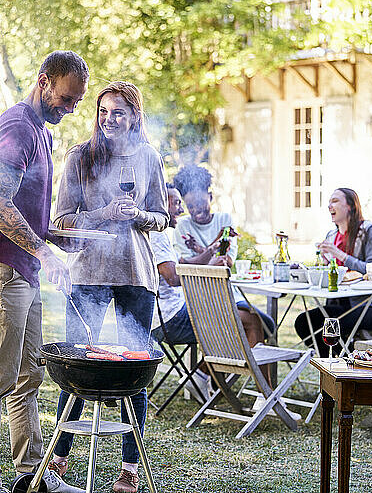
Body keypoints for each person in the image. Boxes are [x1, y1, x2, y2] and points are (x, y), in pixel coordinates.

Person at [48, 81, 168, 493]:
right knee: (77, 367)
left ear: (134, 116)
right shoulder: (80, 157)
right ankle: (60, 458)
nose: (109, 119)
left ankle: (130, 468)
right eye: (103, 112)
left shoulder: (149, 157)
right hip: (87, 273)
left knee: (135, 368)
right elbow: (62, 221)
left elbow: (163, 217)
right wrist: (102, 212)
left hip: (135, 273)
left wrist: (138, 215)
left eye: (118, 112)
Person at [0, 50, 89, 493]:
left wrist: (56, 238)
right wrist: (43, 250)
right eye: (67, 98)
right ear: (43, 81)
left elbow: (26, 210)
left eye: (76, 103)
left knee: (27, 376)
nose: (70, 108)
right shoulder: (18, 127)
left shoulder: (41, 131)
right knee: (1, 375)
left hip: (27, 270)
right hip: (6, 272)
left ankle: (31, 478)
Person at [151, 183, 275, 401]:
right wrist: (212, 267)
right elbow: (173, 278)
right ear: (161, 204)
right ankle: (265, 396)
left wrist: (209, 250)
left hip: (171, 313)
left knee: (251, 320)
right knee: (252, 322)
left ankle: (201, 374)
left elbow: (183, 263)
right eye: (177, 203)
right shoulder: (158, 236)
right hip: (170, 321)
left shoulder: (159, 234)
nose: (181, 210)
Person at [172, 165, 275, 349]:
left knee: (267, 324)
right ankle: (234, 374)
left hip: (228, 292)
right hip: (201, 295)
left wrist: (203, 251)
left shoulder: (224, 219)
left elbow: (226, 261)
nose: (196, 210)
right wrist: (214, 248)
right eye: (190, 206)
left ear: (210, 197)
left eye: (200, 202)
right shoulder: (182, 226)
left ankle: (205, 373)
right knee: (255, 323)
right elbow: (188, 268)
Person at [295, 188, 372, 356]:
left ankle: (338, 366)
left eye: (335, 201)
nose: (329, 205)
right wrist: (324, 263)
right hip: (338, 305)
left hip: (371, 308)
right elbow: (332, 275)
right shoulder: (332, 235)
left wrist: (340, 255)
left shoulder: (370, 231)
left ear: (351, 206)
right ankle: (340, 362)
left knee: (331, 327)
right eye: (329, 201)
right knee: (303, 322)